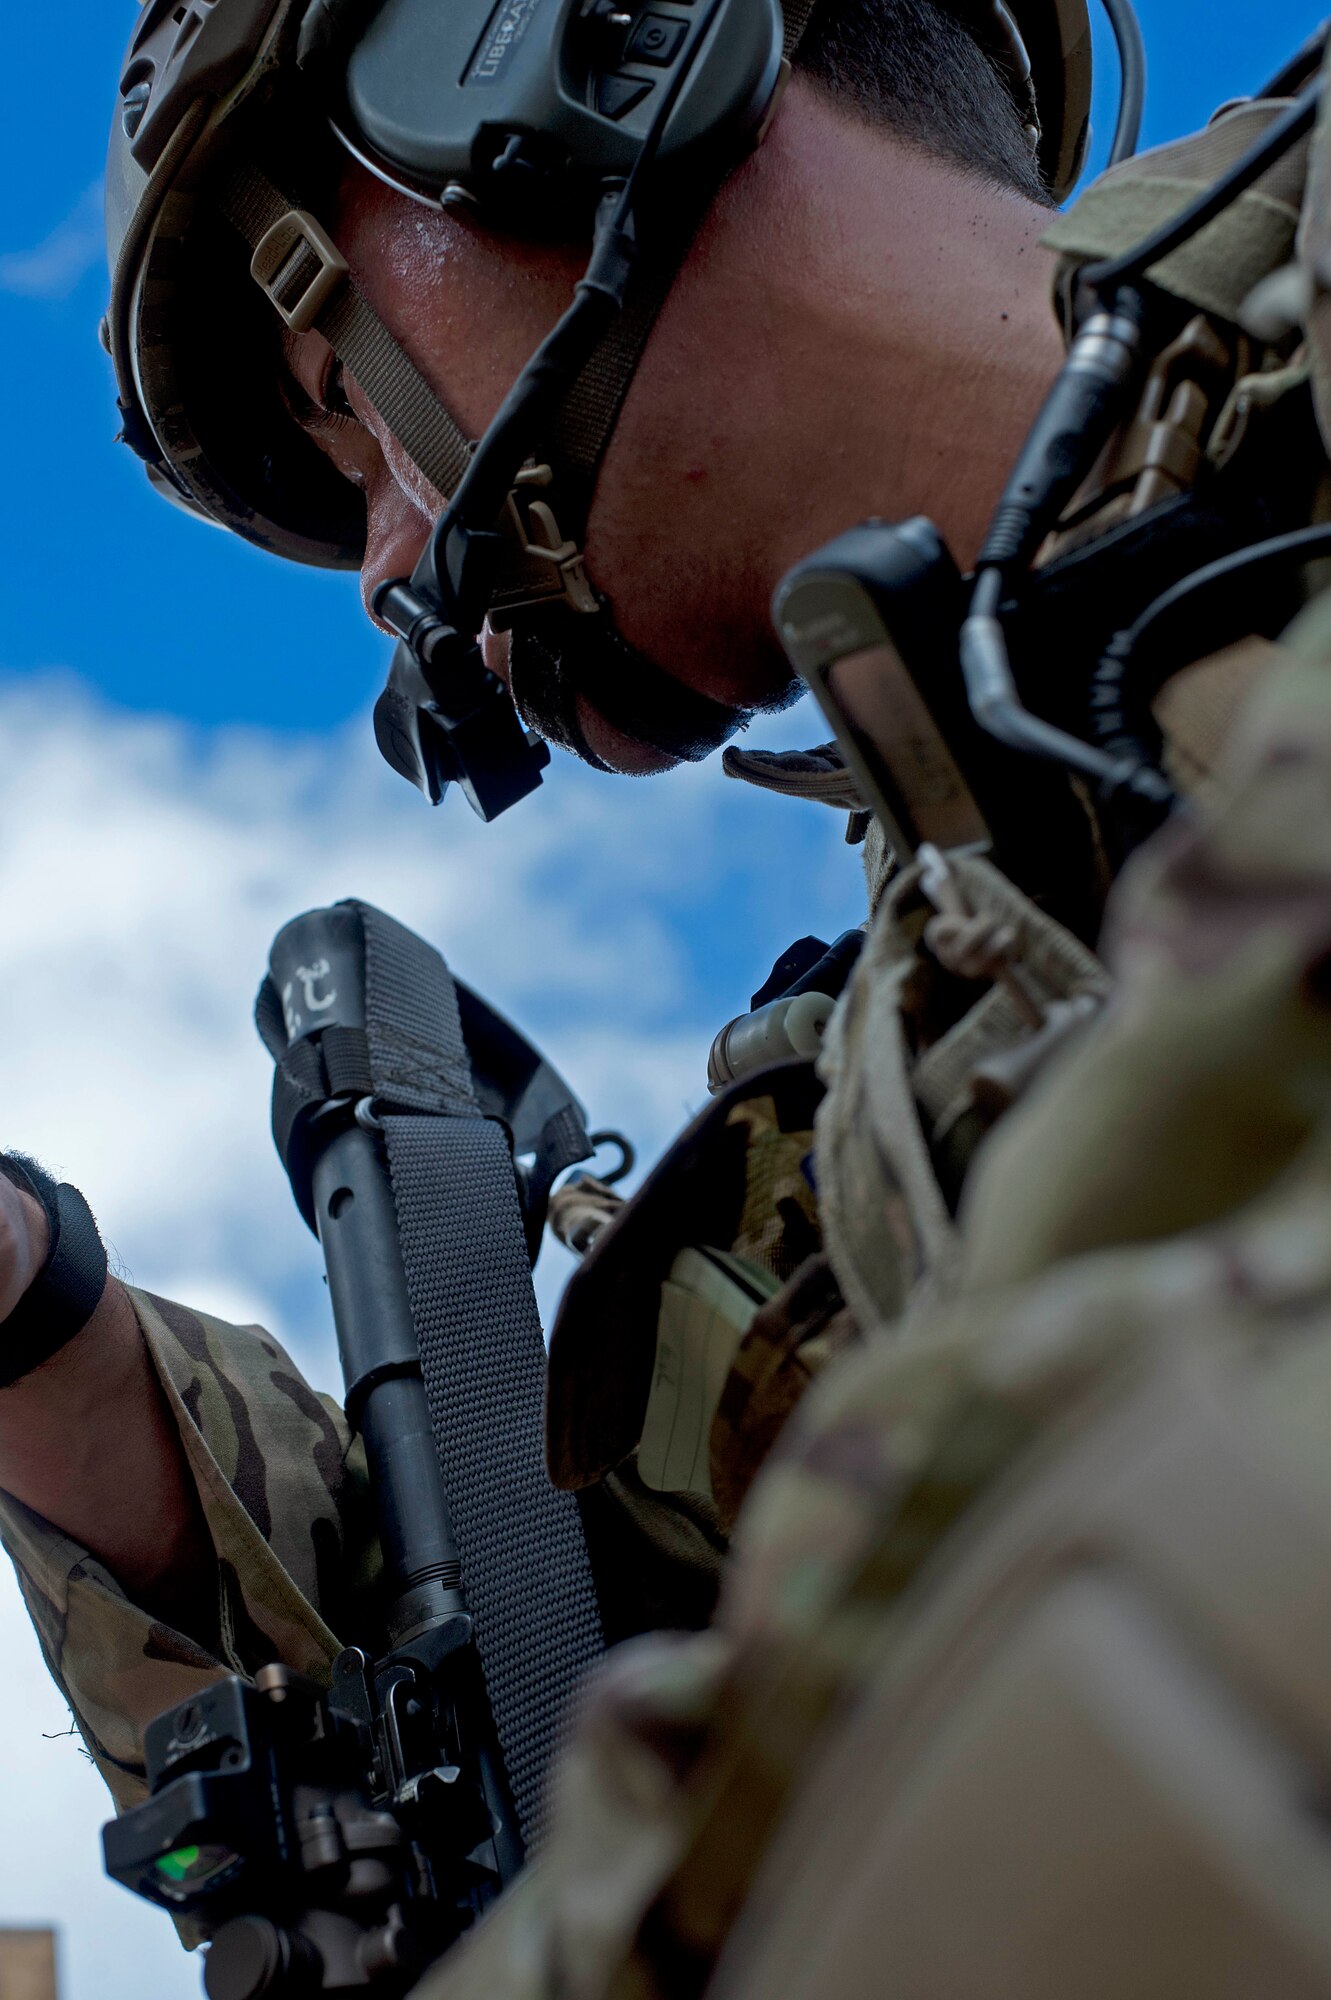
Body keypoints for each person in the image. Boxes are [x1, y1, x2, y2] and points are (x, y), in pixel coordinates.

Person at [5, 0, 1331, 1990]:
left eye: (346, 401)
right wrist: (46, 1335)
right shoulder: (883, 1092)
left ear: (577, 58)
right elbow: (537, 1682)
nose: (388, 559)